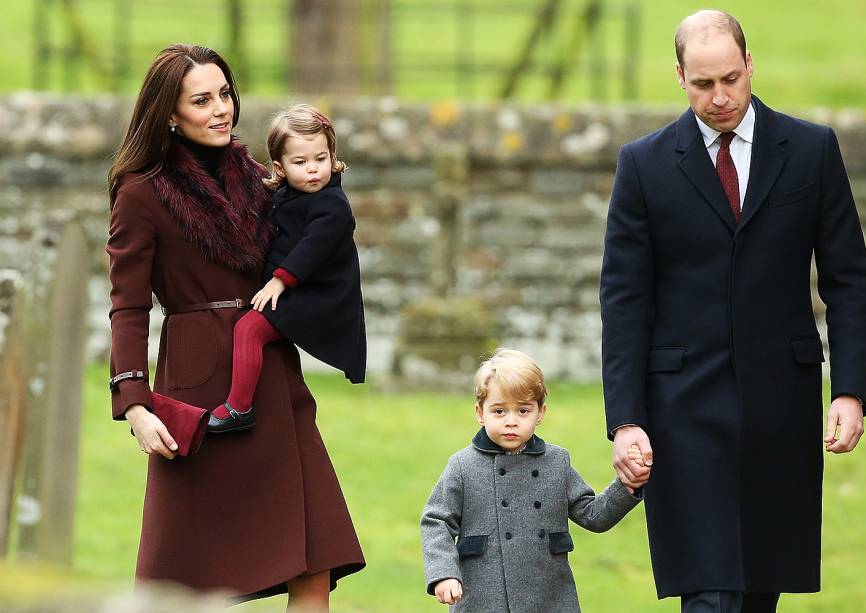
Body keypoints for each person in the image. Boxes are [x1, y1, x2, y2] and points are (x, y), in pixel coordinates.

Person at [599, 10, 866, 612]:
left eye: (730, 79)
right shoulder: (642, 165)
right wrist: (624, 419)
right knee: (709, 594)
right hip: (681, 410)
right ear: (679, 77)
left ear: (751, 65)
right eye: (703, 84)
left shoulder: (811, 150)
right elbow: (623, 300)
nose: (720, 97)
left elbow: (847, 280)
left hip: (782, 404)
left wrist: (850, 390)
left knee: (756, 595)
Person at [106, 44, 364, 610]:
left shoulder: (262, 178)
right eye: (202, 100)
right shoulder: (141, 192)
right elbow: (127, 305)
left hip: (270, 374)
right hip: (198, 393)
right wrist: (135, 402)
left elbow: (321, 236)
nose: (221, 108)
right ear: (170, 115)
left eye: (225, 94)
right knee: (187, 579)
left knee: (313, 560)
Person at [421, 348, 642, 612]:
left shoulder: (557, 462)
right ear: (480, 413)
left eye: (523, 411)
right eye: (499, 411)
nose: (511, 422)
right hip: (483, 598)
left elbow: (593, 514)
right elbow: (436, 521)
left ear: (540, 413)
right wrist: (444, 573)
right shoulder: (462, 465)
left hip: (550, 598)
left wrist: (627, 484)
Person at [206, 104, 366, 433]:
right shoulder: (286, 195)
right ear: (280, 166)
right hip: (297, 290)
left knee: (249, 329)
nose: (313, 170)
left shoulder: (332, 204)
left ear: (332, 154)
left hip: (318, 296)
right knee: (248, 329)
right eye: (300, 162)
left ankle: (239, 408)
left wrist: (279, 281)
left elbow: (312, 248)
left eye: (321, 159)